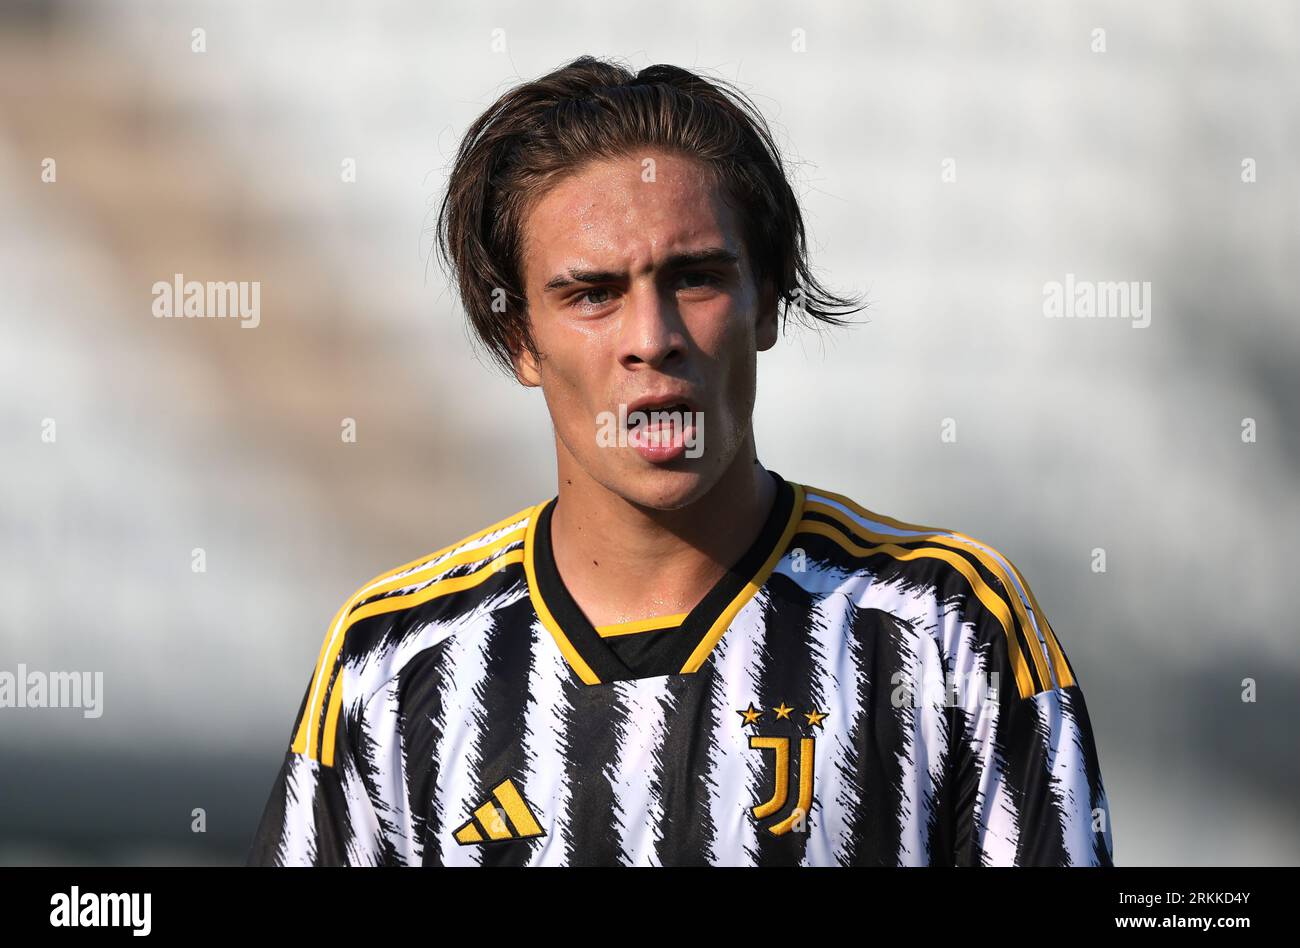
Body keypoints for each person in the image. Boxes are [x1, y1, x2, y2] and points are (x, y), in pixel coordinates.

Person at [246, 55, 1113, 866]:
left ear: (766, 302)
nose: (652, 340)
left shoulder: (944, 625)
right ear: (519, 339)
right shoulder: (392, 662)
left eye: (695, 279)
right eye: (592, 294)